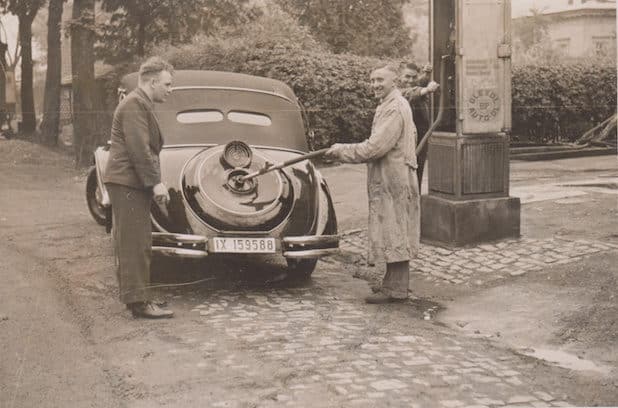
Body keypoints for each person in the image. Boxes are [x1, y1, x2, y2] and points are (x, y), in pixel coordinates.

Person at [325, 64, 420, 304]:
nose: (375, 85)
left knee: (395, 229)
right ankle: (391, 284)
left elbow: (375, 147)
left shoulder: (395, 108)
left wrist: (341, 151)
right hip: (390, 176)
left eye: (380, 80)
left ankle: (397, 290)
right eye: (372, 80)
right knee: (392, 229)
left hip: (394, 179)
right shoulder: (388, 105)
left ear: (394, 81)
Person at [103, 57, 174, 318]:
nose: (170, 89)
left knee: (138, 240)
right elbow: (139, 150)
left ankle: (140, 297)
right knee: (134, 243)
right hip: (127, 182)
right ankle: (139, 303)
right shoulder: (134, 104)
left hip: (129, 182)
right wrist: (156, 184)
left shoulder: (141, 103)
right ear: (152, 82)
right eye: (167, 84)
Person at [399, 62, 439, 188]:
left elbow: (418, 83)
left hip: (421, 137)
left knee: (418, 172)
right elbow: (409, 93)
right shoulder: (396, 91)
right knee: (406, 174)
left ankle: (416, 201)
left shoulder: (415, 83)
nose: (410, 80)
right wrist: (427, 89)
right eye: (407, 77)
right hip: (406, 140)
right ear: (399, 77)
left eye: (414, 77)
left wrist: (427, 74)